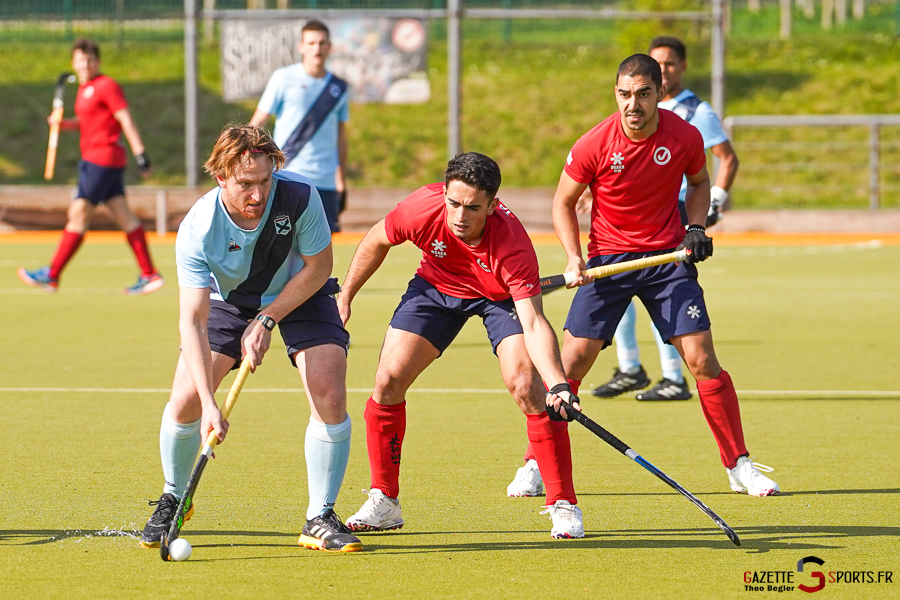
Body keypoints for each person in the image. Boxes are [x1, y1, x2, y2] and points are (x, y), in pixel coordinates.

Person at [511, 54, 778, 499]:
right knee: (568, 365)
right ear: (616, 92)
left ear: (659, 94)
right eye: (624, 94)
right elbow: (562, 202)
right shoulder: (595, 142)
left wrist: (695, 228)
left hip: (668, 262)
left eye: (642, 94)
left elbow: (698, 183)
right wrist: (574, 257)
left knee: (702, 360)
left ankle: (738, 464)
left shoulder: (684, 135)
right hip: (608, 264)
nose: (632, 104)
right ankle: (536, 462)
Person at [336, 152, 586, 539]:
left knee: (525, 385)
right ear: (444, 193)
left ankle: (563, 503)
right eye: (453, 203)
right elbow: (376, 239)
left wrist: (558, 384)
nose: (459, 216)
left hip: (500, 298)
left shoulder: (513, 246)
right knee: (387, 380)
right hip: (436, 287)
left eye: (472, 208)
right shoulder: (421, 208)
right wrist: (345, 295)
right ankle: (384, 500)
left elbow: (534, 321)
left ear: (492, 205)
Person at [139, 125, 362, 553]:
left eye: (264, 181)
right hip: (230, 300)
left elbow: (318, 267)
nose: (257, 195)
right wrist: (208, 404)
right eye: (245, 184)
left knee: (329, 392)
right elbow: (192, 321)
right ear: (221, 177)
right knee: (184, 399)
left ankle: (320, 514)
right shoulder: (199, 228)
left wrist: (268, 318)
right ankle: (174, 496)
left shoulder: (299, 196)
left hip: (301, 291)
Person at [591, 36, 741, 402]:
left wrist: (711, 208)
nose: (665, 69)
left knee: (668, 298)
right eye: (659, 63)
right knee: (618, 291)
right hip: (632, 215)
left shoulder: (695, 112)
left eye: (670, 64)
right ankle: (630, 367)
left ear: (679, 69)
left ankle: (673, 375)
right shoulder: (633, 107)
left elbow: (724, 160)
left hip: (676, 213)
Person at [17, 38, 163, 295]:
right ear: (73, 62)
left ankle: (51, 274)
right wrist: (63, 124)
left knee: (78, 212)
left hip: (102, 160)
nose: (85, 64)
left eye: (90, 59)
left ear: (98, 61)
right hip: (97, 160)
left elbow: (124, 119)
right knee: (123, 215)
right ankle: (149, 274)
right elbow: (88, 122)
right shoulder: (86, 90)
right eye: (80, 60)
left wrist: (140, 153)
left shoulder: (107, 86)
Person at [250, 19, 349, 234]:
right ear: (301, 47)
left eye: (322, 43)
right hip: (288, 175)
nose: (317, 48)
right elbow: (257, 122)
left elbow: (341, 137)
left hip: (325, 181)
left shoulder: (339, 88)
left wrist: (341, 178)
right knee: (282, 244)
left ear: (329, 47)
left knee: (322, 250)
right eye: (311, 43)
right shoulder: (283, 78)